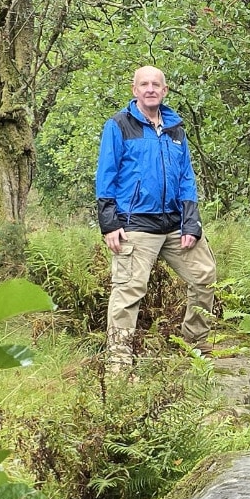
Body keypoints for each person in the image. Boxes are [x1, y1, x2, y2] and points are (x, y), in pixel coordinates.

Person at [95, 65, 217, 367]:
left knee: (204, 275)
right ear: (134, 90)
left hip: (175, 224)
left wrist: (191, 221)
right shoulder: (119, 125)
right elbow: (106, 174)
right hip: (135, 223)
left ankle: (195, 344)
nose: (150, 89)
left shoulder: (177, 130)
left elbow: (186, 177)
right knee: (128, 292)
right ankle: (118, 363)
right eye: (144, 84)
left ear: (164, 91)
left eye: (156, 85)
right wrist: (109, 223)